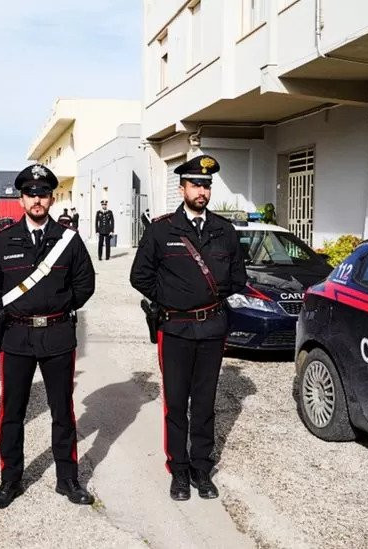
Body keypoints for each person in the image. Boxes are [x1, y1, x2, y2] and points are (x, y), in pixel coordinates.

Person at [129, 154, 246, 501]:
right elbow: (140, 276)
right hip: (176, 330)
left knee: (206, 403)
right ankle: (178, 471)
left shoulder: (224, 232)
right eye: (196, 184)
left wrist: (209, 299)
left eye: (207, 185)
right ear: (182, 188)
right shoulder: (162, 230)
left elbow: (237, 278)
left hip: (211, 330)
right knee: (177, 403)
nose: (202, 191)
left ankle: (201, 469)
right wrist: (172, 299)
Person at [0, 163, 95, 509]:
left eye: (43, 193)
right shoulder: (2, 241)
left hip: (58, 335)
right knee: (12, 412)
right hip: (16, 337)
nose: (37, 199)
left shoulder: (68, 241)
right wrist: (11, 310)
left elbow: (85, 284)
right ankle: (10, 480)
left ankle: (68, 479)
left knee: (62, 410)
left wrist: (58, 307)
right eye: (31, 193)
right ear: (21, 199)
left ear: (51, 198)